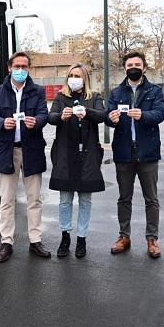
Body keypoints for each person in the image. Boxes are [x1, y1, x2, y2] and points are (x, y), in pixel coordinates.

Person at [0, 51, 50, 263]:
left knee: (34, 199)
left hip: (31, 149)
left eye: (24, 67)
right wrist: (2, 123)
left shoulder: (38, 91)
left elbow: (44, 114)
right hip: (7, 150)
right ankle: (6, 242)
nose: (21, 70)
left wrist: (37, 121)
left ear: (28, 69)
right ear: (9, 68)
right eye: (17, 66)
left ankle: (35, 241)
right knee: (7, 199)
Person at [106, 51, 164, 259]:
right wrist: (111, 118)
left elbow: (160, 114)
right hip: (123, 151)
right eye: (130, 64)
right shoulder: (116, 93)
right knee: (124, 198)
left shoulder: (154, 90)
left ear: (143, 67)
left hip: (147, 151)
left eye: (137, 64)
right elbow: (107, 115)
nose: (133, 67)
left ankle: (152, 239)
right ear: (124, 68)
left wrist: (143, 115)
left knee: (151, 198)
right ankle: (124, 236)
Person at [48, 63, 106, 258]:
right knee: (65, 200)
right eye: (71, 75)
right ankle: (65, 236)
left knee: (85, 199)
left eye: (78, 75)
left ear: (85, 79)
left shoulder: (94, 97)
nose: (74, 78)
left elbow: (102, 116)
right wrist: (61, 116)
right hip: (66, 153)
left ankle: (82, 238)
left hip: (88, 154)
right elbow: (51, 117)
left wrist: (87, 113)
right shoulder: (60, 97)